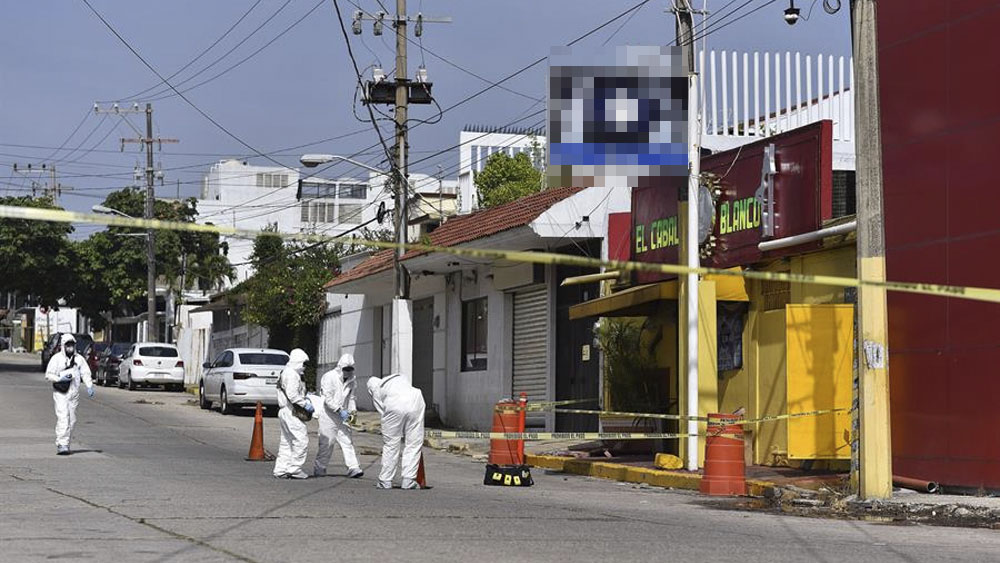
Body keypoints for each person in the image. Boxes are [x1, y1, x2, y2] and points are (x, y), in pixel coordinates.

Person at [366, 373, 425, 489]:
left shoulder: (377, 390)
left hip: (394, 404)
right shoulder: (399, 379)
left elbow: (383, 412)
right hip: (416, 399)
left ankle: (385, 480)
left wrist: (392, 430)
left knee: (391, 443)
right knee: (414, 442)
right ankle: (409, 480)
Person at [313, 353, 363, 478]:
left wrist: (352, 415)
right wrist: (338, 409)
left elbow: (352, 398)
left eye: (350, 369)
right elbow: (327, 398)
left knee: (347, 441)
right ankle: (320, 467)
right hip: (328, 415)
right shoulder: (329, 377)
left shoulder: (352, 380)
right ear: (340, 368)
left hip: (342, 415)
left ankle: (353, 467)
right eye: (346, 369)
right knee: (327, 443)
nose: (348, 372)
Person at [44, 334, 95, 455]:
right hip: (61, 393)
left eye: (72, 346)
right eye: (68, 346)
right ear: (63, 346)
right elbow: (48, 375)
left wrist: (89, 386)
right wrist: (60, 378)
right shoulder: (57, 359)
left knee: (72, 420)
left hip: (74, 393)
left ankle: (66, 442)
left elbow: (85, 373)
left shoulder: (79, 359)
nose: (70, 348)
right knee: (63, 418)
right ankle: (62, 444)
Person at [273, 348, 314, 479]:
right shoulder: (292, 374)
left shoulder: (286, 372)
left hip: (285, 411)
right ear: (298, 361)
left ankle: (281, 469)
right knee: (301, 440)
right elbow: (292, 395)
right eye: (303, 363)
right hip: (291, 411)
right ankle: (295, 469)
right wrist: (305, 404)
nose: (304, 367)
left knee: (286, 442)